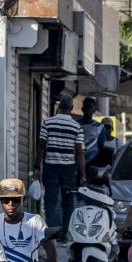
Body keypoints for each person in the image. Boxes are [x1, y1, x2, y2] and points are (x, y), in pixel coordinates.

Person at [38, 93, 85, 233]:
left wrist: (36, 166)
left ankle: (52, 231)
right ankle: (66, 232)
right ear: (71, 108)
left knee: (50, 200)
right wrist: (83, 175)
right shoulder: (76, 127)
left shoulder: (48, 122)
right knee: (68, 202)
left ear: (59, 106)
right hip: (69, 169)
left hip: (50, 167)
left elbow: (41, 146)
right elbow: (79, 153)